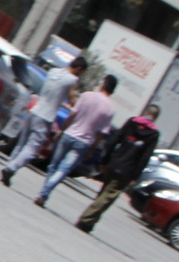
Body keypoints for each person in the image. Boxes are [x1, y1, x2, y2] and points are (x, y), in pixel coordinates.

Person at [72, 104, 161, 233]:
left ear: (145, 112)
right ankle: (85, 219)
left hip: (114, 163)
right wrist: (135, 176)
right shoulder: (153, 134)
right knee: (107, 198)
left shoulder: (131, 122)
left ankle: (89, 223)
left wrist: (105, 160)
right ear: (156, 117)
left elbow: (115, 140)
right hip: (127, 170)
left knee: (104, 193)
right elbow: (144, 158)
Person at [0, 52, 85, 186]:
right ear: (79, 69)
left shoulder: (53, 71)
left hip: (35, 109)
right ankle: (10, 169)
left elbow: (53, 93)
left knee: (21, 144)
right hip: (46, 116)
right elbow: (73, 101)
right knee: (32, 149)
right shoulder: (72, 80)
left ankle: (8, 167)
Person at [33, 73, 118, 207]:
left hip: (69, 134)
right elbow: (101, 133)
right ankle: (44, 194)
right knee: (63, 169)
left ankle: (44, 193)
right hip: (84, 143)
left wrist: (61, 130)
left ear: (103, 84)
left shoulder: (86, 95)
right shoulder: (111, 109)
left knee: (54, 166)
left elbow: (72, 114)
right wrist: (93, 148)